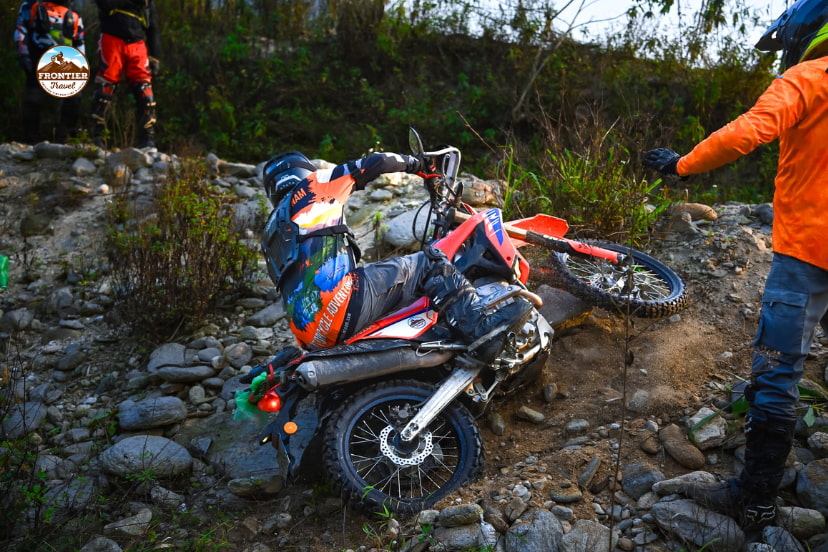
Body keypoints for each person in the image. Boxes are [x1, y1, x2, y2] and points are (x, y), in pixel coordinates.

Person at [643, 0, 828, 530]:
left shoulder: (807, 78)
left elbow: (749, 131)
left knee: (777, 371)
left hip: (806, 254)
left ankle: (756, 499)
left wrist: (681, 165)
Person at [259, 150, 532, 363]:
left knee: (394, 278)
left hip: (311, 337)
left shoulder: (271, 234)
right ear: (303, 172)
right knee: (430, 262)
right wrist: (420, 165)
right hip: (342, 305)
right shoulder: (312, 187)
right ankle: (481, 329)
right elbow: (377, 162)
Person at [89, 0, 160, 149]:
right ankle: (97, 137)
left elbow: (152, 25)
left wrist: (155, 56)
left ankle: (147, 141)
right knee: (104, 89)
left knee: (146, 93)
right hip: (111, 38)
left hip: (138, 43)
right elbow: (105, 5)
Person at [14, 0, 86, 144]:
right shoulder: (32, 6)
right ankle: (30, 140)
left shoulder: (74, 15)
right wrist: (24, 55)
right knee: (33, 99)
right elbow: (21, 30)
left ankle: (66, 139)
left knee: (74, 99)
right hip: (37, 59)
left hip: (65, 63)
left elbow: (79, 41)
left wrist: (81, 67)